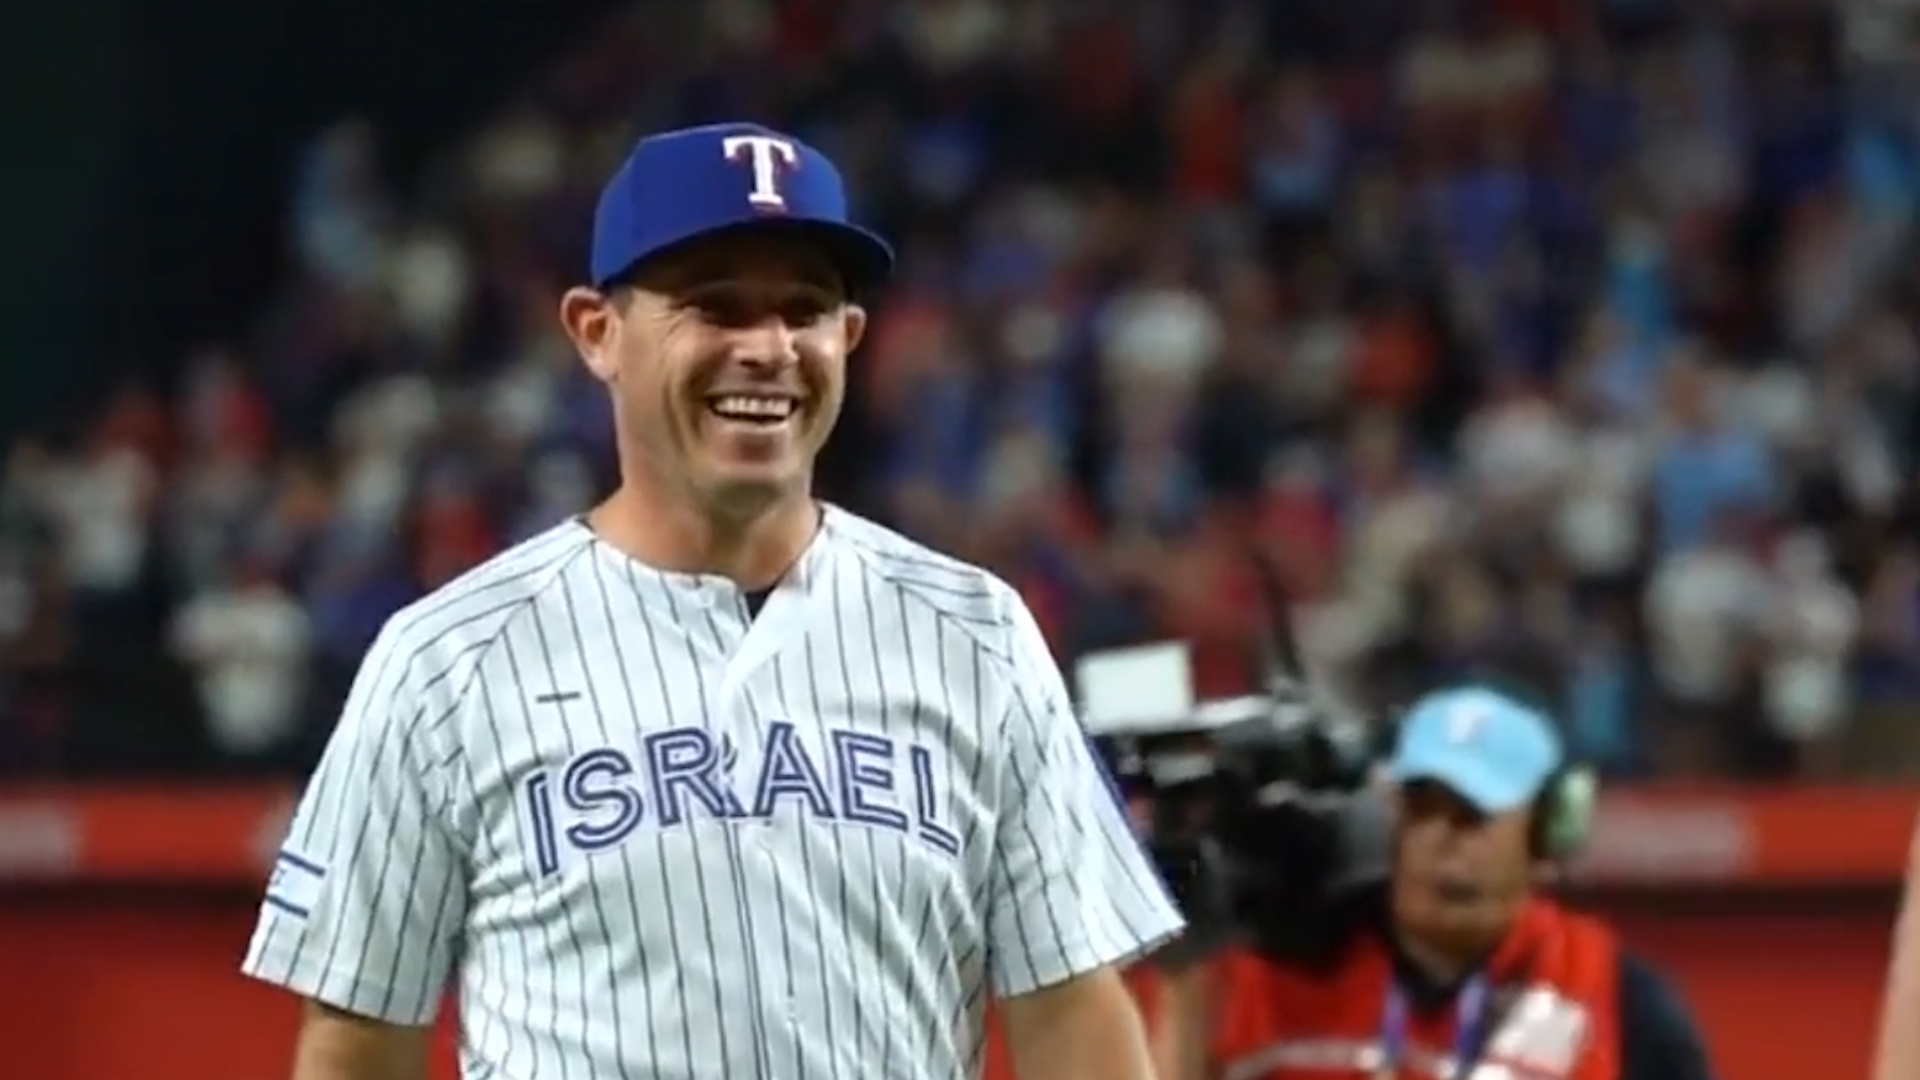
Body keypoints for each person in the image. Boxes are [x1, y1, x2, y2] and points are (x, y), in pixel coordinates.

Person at [239, 121, 1184, 1080]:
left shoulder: (976, 634)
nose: (769, 348)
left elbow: (1072, 1017)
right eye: (715, 307)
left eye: (805, 310)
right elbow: (360, 1039)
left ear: (848, 338)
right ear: (597, 332)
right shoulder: (446, 659)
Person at [1204, 687, 1716, 1080]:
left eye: (1472, 816)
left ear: (1546, 833)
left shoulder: (1621, 1001)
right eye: (1421, 809)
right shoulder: (1278, 966)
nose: (1440, 842)